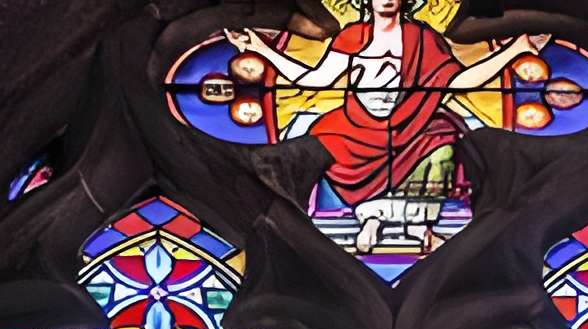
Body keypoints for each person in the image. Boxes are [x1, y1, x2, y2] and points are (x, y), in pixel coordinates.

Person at [233, 0, 547, 255]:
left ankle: (416, 227)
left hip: (412, 124)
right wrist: (262, 50)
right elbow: (315, 79)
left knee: (443, 143)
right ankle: (367, 217)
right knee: (303, 151)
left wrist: (514, 51)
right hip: (353, 129)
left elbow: (459, 82)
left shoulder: (422, 39)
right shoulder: (353, 36)